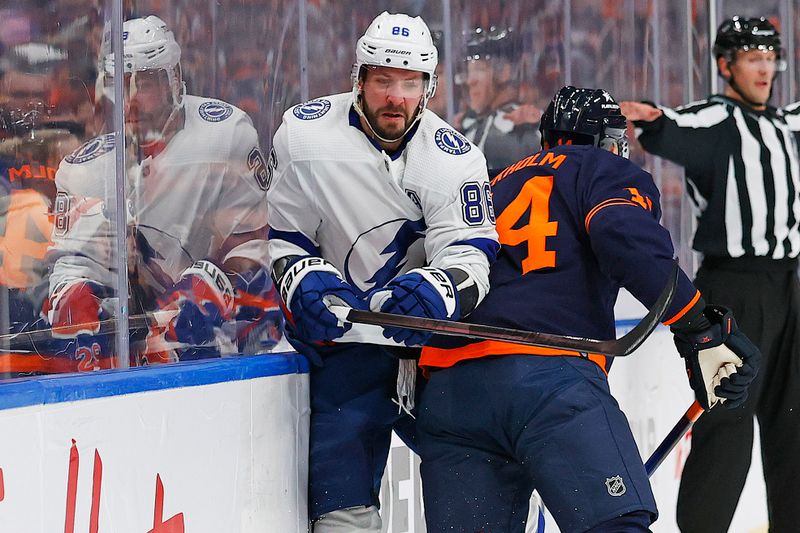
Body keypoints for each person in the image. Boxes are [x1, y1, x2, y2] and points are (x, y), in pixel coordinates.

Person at [415, 86, 761, 533]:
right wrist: (699, 328)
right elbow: (625, 239)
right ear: (609, 140)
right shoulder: (603, 169)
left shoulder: (486, 181)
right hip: (546, 379)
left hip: (449, 388)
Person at [266, 11, 498, 532]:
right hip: (342, 351)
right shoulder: (304, 136)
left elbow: (473, 254)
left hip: (434, 355)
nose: (395, 96)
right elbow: (282, 236)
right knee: (340, 511)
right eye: (383, 81)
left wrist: (440, 290)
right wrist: (299, 274)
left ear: (428, 87)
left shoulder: (453, 160)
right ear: (359, 81)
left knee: (479, 486)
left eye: (409, 83)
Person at [620, 16, 800, 532]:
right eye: (752, 58)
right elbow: (676, 126)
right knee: (727, 421)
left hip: (788, 285)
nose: (764, 69)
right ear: (726, 65)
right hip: (732, 287)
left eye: (769, 57)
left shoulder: (787, 124)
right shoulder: (719, 119)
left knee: (793, 424)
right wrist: (654, 120)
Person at [45, 15, 281, 372]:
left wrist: (216, 282)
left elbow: (256, 250)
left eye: (146, 83)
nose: (132, 98)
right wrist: (72, 296)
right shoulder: (83, 169)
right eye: (121, 84)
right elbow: (70, 264)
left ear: (175, 80)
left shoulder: (225, 135)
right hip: (127, 346)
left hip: (219, 343)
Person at [458, 26, 542, 170]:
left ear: (505, 72)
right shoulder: (470, 124)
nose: (470, 80)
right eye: (469, 71)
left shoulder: (521, 130)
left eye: (480, 69)